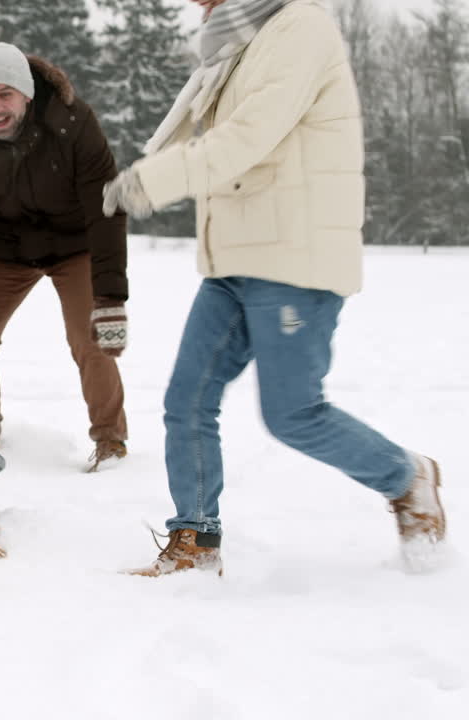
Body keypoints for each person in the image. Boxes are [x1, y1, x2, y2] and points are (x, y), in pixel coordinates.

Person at [102, 0, 447, 575]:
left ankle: (408, 477)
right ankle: (195, 540)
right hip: (233, 259)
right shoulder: (237, 44)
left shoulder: (300, 27)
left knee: (293, 414)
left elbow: (247, 138)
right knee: (186, 401)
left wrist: (151, 182)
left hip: (295, 257)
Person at [0, 41, 130, 470]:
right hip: (5, 252)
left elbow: (107, 207)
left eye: (5, 94)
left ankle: (110, 441)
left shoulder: (73, 123)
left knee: (90, 338)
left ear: (26, 93)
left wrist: (110, 299)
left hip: (74, 246)